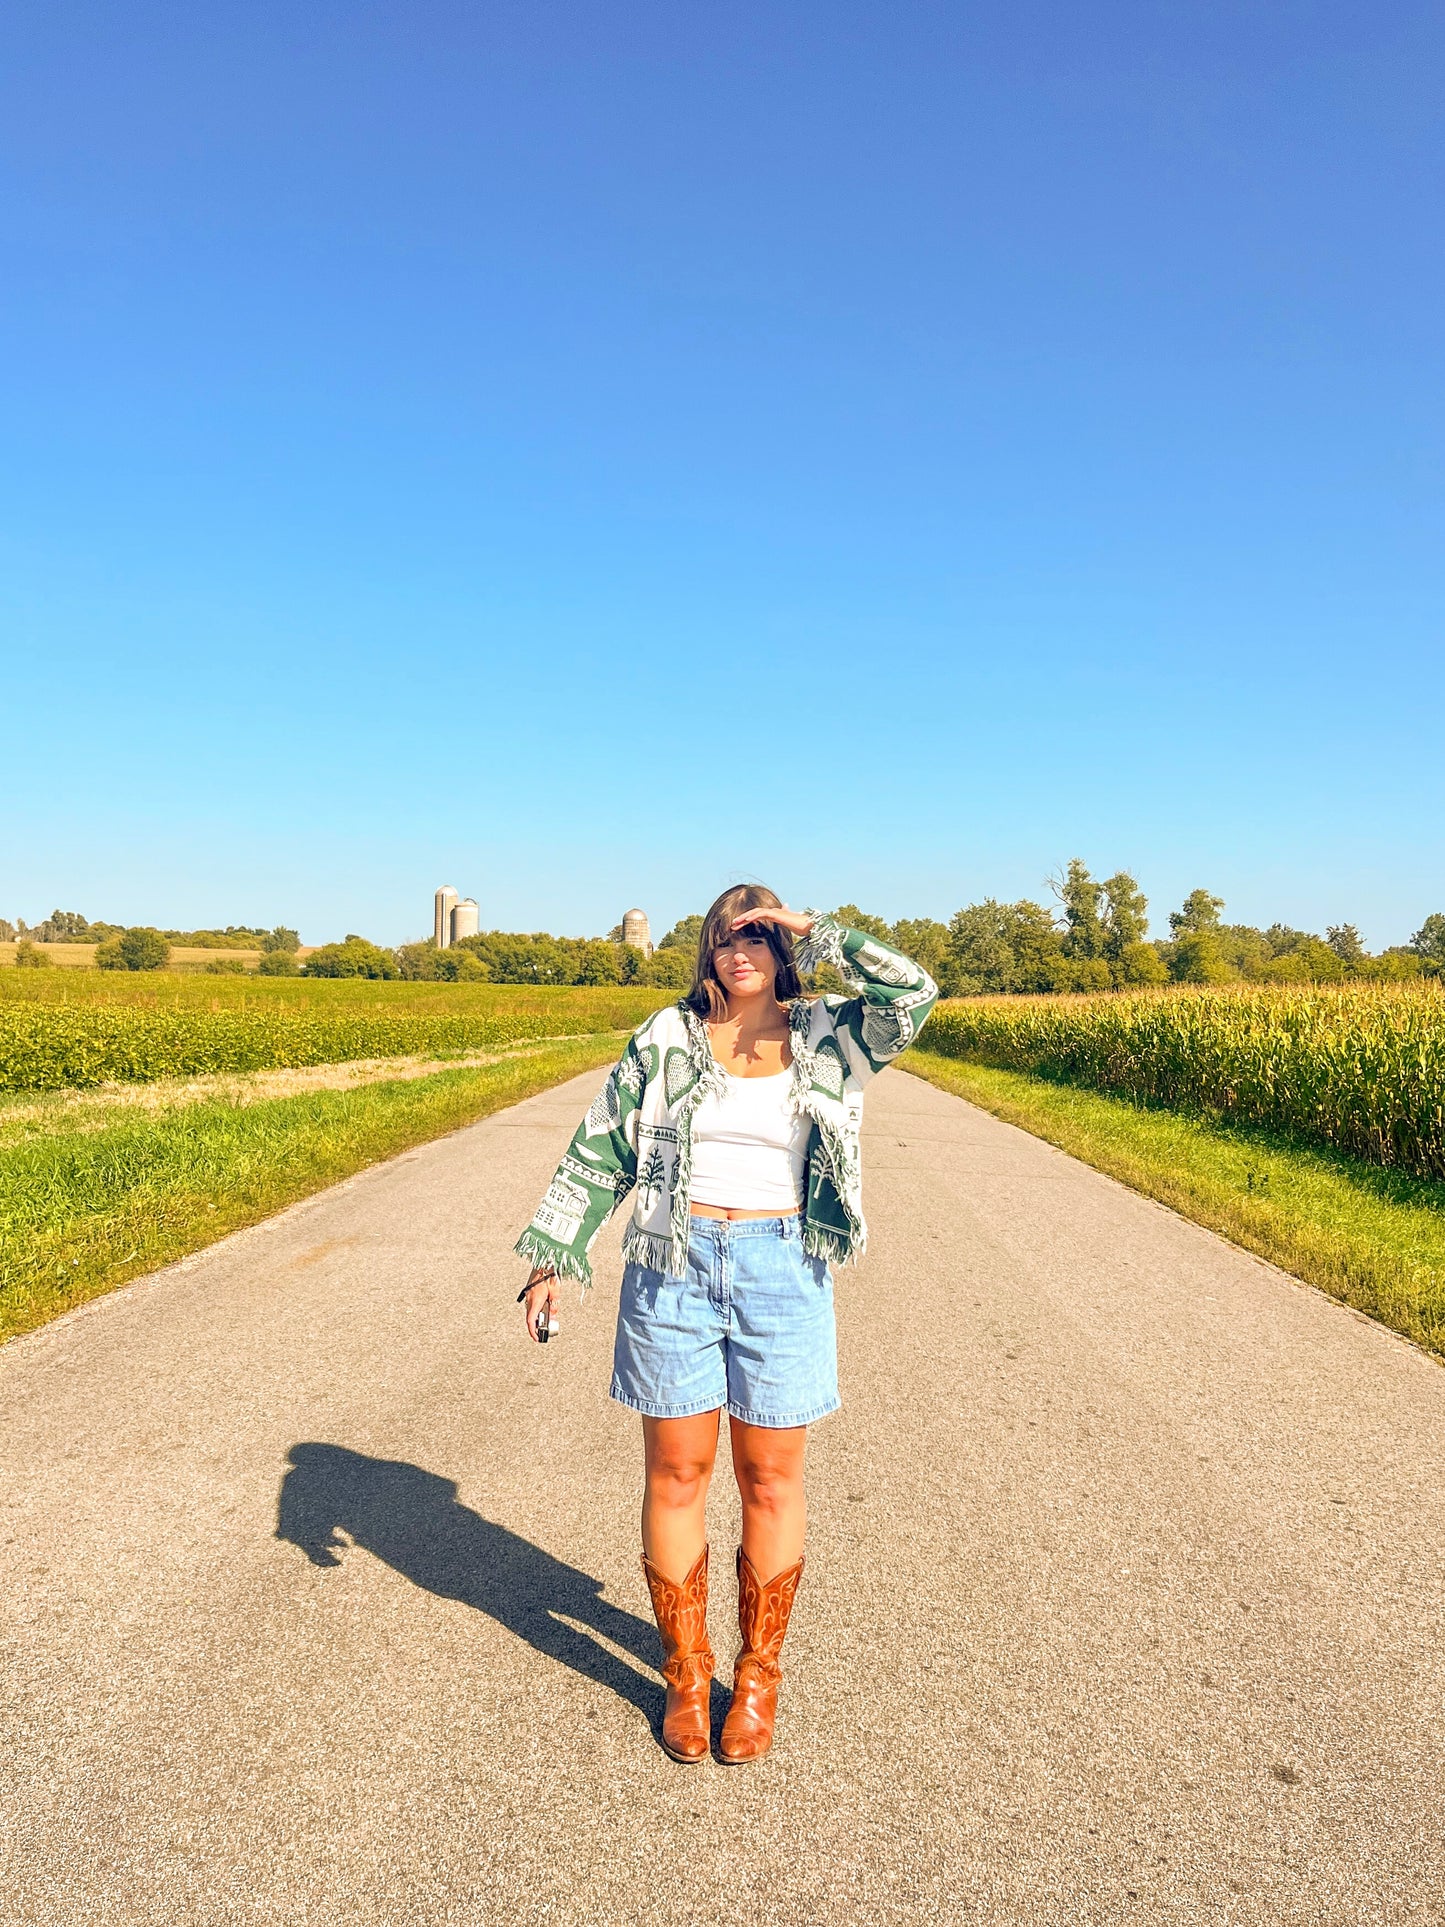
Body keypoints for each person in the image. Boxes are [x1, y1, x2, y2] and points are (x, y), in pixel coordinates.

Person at [514, 888, 938, 1764]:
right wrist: (553, 1253)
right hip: (673, 1263)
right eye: (724, 935)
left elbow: (915, 995)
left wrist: (819, 934)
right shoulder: (665, 1037)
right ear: (704, 948)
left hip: (784, 1267)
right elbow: (602, 1145)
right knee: (676, 1471)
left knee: (770, 1479)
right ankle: (683, 1669)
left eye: (756, 934)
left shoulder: (829, 1032)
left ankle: (754, 1679)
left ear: (781, 947)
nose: (738, 950)